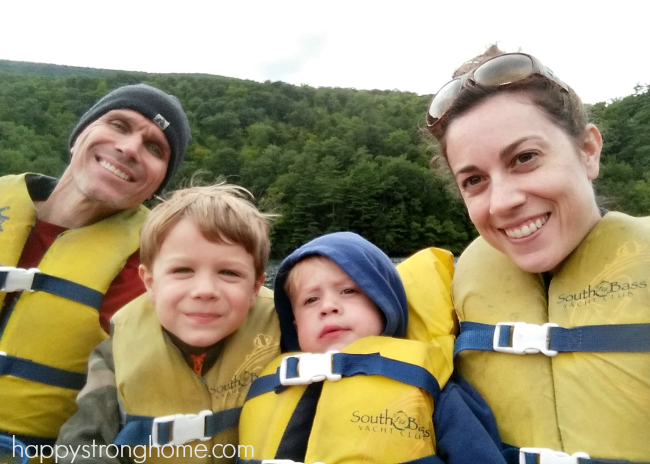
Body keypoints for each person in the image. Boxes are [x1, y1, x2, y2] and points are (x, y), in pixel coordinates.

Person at [425, 44, 650, 463]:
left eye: (525, 158)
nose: (502, 201)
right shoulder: (443, 298)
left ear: (588, 150)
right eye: (474, 180)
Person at [0, 83, 191, 452]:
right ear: (79, 137)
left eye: (155, 149)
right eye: (119, 125)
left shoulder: (155, 267)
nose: (129, 148)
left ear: (156, 186)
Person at [55, 184, 281, 464]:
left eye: (229, 272)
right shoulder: (114, 356)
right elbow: (81, 444)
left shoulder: (286, 336)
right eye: (182, 270)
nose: (205, 290)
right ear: (150, 282)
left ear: (255, 288)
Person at [239, 231, 506, 464]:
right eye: (311, 300)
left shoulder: (431, 386)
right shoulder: (264, 382)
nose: (328, 307)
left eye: (348, 291)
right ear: (295, 325)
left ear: (383, 304)